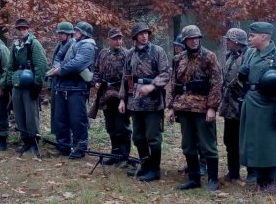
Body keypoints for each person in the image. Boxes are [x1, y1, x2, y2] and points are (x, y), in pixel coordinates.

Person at [239, 22, 276, 194]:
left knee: (272, 144)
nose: (249, 38)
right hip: (252, 104)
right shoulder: (251, 54)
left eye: (252, 35)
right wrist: (243, 76)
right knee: (256, 143)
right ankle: (260, 179)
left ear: (264, 36)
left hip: (270, 106)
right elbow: (248, 80)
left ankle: (272, 180)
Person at [165, 25, 223, 191]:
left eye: (196, 38)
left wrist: (212, 107)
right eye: (190, 39)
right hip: (184, 108)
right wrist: (171, 107)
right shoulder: (178, 58)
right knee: (188, 145)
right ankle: (194, 178)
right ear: (185, 41)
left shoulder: (209, 57)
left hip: (202, 108)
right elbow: (173, 83)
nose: (194, 41)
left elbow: (216, 83)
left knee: (208, 145)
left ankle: (213, 179)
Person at [119, 23, 170, 181]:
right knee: (138, 137)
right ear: (135, 36)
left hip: (153, 102)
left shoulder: (157, 51)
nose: (144, 36)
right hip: (135, 102)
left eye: (146, 33)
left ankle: (155, 170)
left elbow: (166, 74)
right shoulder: (130, 53)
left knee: (153, 137)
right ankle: (145, 165)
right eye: (141, 33)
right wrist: (123, 99)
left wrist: (152, 86)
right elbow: (127, 77)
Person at [49, 21, 96, 159]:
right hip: (62, 86)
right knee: (61, 119)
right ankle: (63, 146)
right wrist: (57, 66)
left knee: (78, 120)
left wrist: (60, 70)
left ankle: (79, 148)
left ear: (84, 33)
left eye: (78, 30)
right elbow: (58, 56)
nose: (75, 32)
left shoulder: (88, 46)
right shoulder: (72, 42)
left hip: (77, 88)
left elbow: (77, 64)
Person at [92, 27, 132, 166]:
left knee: (122, 127)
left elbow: (130, 77)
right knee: (110, 126)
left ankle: (124, 157)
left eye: (120, 38)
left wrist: (126, 97)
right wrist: (96, 82)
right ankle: (115, 155)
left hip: (120, 95)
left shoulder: (127, 54)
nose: (118, 41)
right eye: (115, 39)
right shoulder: (103, 53)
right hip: (106, 95)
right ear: (108, 40)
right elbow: (96, 70)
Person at [10, 18, 48, 156]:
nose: (21, 31)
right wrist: (9, 82)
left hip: (30, 84)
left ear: (28, 29)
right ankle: (25, 141)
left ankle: (34, 143)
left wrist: (37, 85)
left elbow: (41, 65)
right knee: (19, 114)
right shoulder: (15, 45)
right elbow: (10, 65)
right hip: (17, 83)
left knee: (31, 116)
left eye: (24, 28)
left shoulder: (34, 44)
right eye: (19, 29)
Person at [218, 28, 248, 182]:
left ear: (236, 41)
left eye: (229, 40)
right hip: (229, 106)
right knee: (229, 140)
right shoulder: (229, 56)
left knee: (245, 141)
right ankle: (233, 172)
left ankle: (252, 172)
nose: (227, 42)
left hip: (242, 106)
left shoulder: (248, 57)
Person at [48, 21, 73, 136]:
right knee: (56, 110)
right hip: (56, 81)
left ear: (69, 34)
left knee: (68, 111)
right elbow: (54, 63)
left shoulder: (73, 46)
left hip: (68, 82)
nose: (59, 35)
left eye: (62, 33)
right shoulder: (59, 45)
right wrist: (50, 82)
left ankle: (69, 136)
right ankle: (59, 135)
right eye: (59, 33)